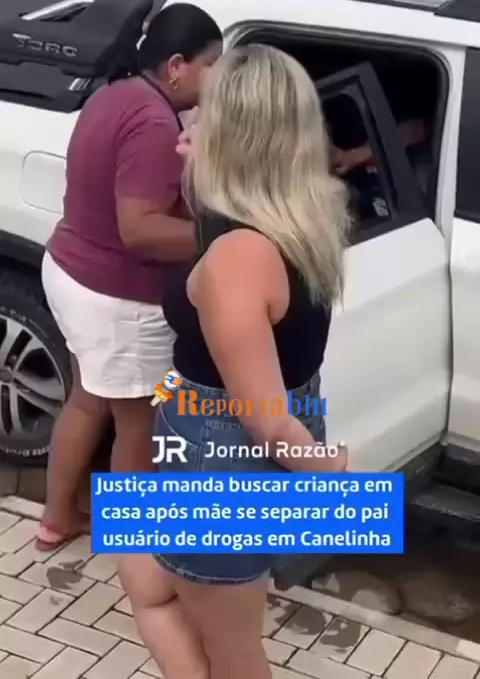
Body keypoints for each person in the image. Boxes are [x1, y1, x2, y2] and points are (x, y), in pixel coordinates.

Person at [119, 44, 350, 679]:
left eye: (202, 119)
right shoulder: (306, 218)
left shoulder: (238, 259)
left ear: (235, 141)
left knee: (232, 650)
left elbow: (267, 420)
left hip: (223, 462)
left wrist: (328, 470)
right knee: (150, 579)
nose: (185, 133)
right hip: (223, 452)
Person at [36, 3, 223, 551]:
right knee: (140, 422)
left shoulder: (115, 94)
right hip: (117, 299)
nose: (218, 78)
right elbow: (139, 230)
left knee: (88, 400)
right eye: (212, 66)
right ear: (177, 66)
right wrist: (226, 235)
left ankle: (56, 519)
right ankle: (136, 549)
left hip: (71, 273)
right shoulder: (154, 122)